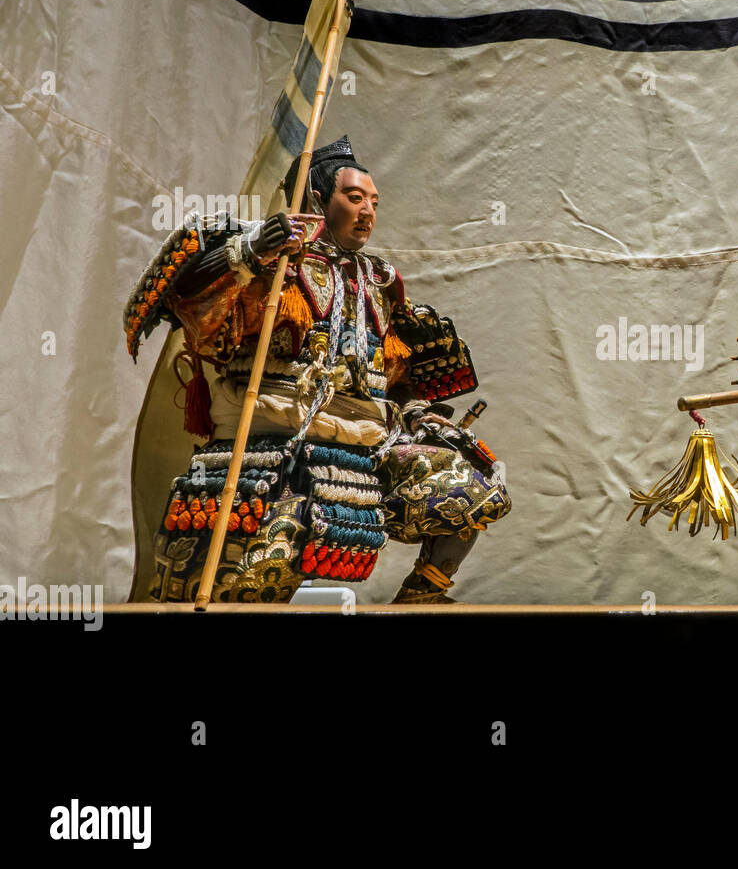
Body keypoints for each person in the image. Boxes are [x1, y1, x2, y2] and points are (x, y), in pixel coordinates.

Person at [124, 136, 510, 603]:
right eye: (354, 198)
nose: (367, 210)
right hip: (275, 441)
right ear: (317, 199)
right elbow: (180, 292)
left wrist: (415, 414)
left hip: (363, 448)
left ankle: (419, 599)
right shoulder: (274, 257)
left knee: (471, 485)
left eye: (373, 201)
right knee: (253, 578)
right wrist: (250, 249)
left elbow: (392, 373)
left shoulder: (381, 280)